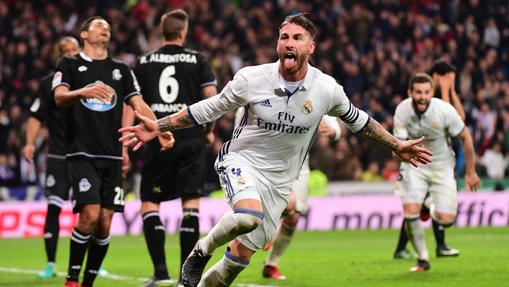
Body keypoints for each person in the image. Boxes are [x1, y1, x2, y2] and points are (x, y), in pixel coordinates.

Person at [119, 14, 432, 287]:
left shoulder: (327, 89)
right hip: (242, 161)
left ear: (311, 47)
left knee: (234, 265)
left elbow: (359, 121)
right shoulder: (251, 79)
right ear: (278, 45)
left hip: (281, 181)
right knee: (247, 216)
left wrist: (396, 144)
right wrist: (157, 126)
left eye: (297, 37)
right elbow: (208, 108)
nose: (288, 43)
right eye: (284, 37)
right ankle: (200, 251)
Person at [52, 16, 170, 287]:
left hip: (113, 156)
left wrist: (161, 129)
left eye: (107, 27)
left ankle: (87, 282)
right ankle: (71, 280)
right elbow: (58, 97)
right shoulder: (68, 64)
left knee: (104, 224)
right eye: (98, 26)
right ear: (83, 34)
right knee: (90, 215)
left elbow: (138, 104)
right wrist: (83, 91)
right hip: (82, 154)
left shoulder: (121, 70)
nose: (105, 29)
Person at [133, 9, 217, 287]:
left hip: (158, 138)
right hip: (191, 139)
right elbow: (211, 99)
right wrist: (209, 131)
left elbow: (132, 101)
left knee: (149, 203)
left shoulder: (144, 61)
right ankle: (185, 279)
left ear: (161, 30)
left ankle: (160, 273)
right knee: (190, 204)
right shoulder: (199, 59)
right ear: (184, 31)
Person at [393, 73, 480, 272]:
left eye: (426, 92)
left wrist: (470, 172)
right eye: (418, 92)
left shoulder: (444, 110)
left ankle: (428, 206)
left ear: (432, 93)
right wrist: (398, 154)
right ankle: (423, 259)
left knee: (446, 220)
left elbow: (466, 137)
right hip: (414, 164)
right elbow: (398, 144)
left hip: (441, 165)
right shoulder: (402, 110)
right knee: (410, 213)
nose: (422, 96)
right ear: (410, 93)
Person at [22, 36, 80, 279]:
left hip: (84, 154)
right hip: (57, 154)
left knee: (89, 211)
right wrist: (29, 143)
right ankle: (51, 263)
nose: (68, 54)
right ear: (58, 55)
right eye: (64, 51)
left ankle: (86, 261)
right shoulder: (49, 84)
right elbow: (36, 116)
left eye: (72, 50)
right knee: (54, 209)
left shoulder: (92, 77)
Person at [261, 115, 340, 280]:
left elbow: (332, 117)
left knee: (293, 218)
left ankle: (271, 264)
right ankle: (267, 228)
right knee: (288, 204)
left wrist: (334, 131)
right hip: (268, 160)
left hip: (300, 164)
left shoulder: (312, 93)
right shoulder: (267, 92)